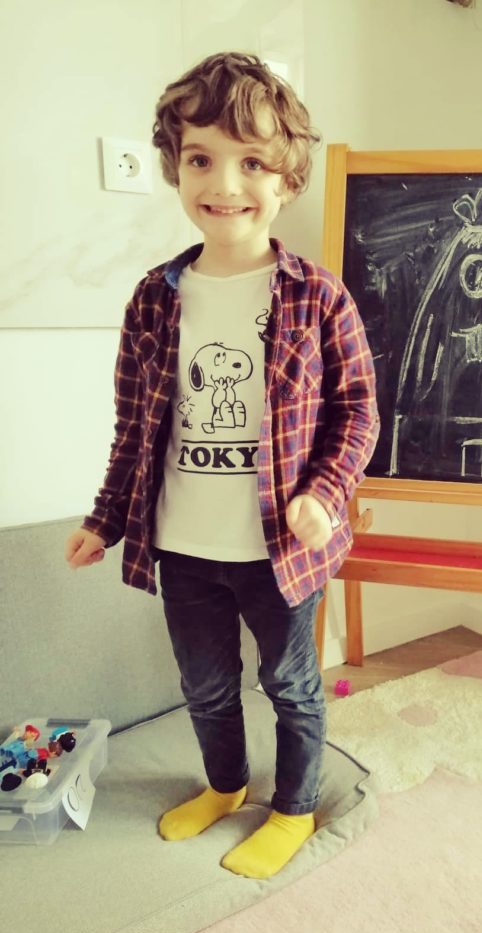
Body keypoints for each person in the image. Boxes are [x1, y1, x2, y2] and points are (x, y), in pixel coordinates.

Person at [64, 52, 380, 879]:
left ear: (287, 178)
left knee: (291, 686)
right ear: (176, 166)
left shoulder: (319, 297)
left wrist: (325, 493)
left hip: (281, 551)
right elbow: (134, 428)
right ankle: (226, 785)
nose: (225, 183)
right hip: (183, 547)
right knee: (204, 687)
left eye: (252, 163)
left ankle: (295, 808)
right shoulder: (154, 297)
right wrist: (104, 519)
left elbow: (358, 413)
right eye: (201, 158)